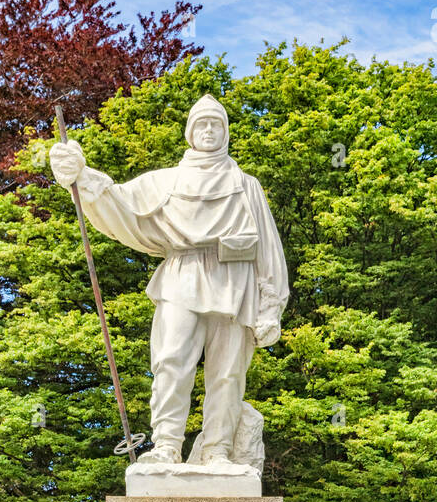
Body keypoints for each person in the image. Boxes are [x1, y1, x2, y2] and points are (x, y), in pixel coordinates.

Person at [49, 94, 289, 466]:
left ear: (225, 132)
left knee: (227, 373)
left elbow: (268, 251)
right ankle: (166, 446)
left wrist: (271, 308)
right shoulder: (167, 182)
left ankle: (217, 451)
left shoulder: (246, 185)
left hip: (235, 283)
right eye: (202, 124)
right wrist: (78, 174)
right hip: (182, 276)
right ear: (190, 132)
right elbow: (119, 201)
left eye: (216, 124)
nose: (209, 131)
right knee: (170, 361)